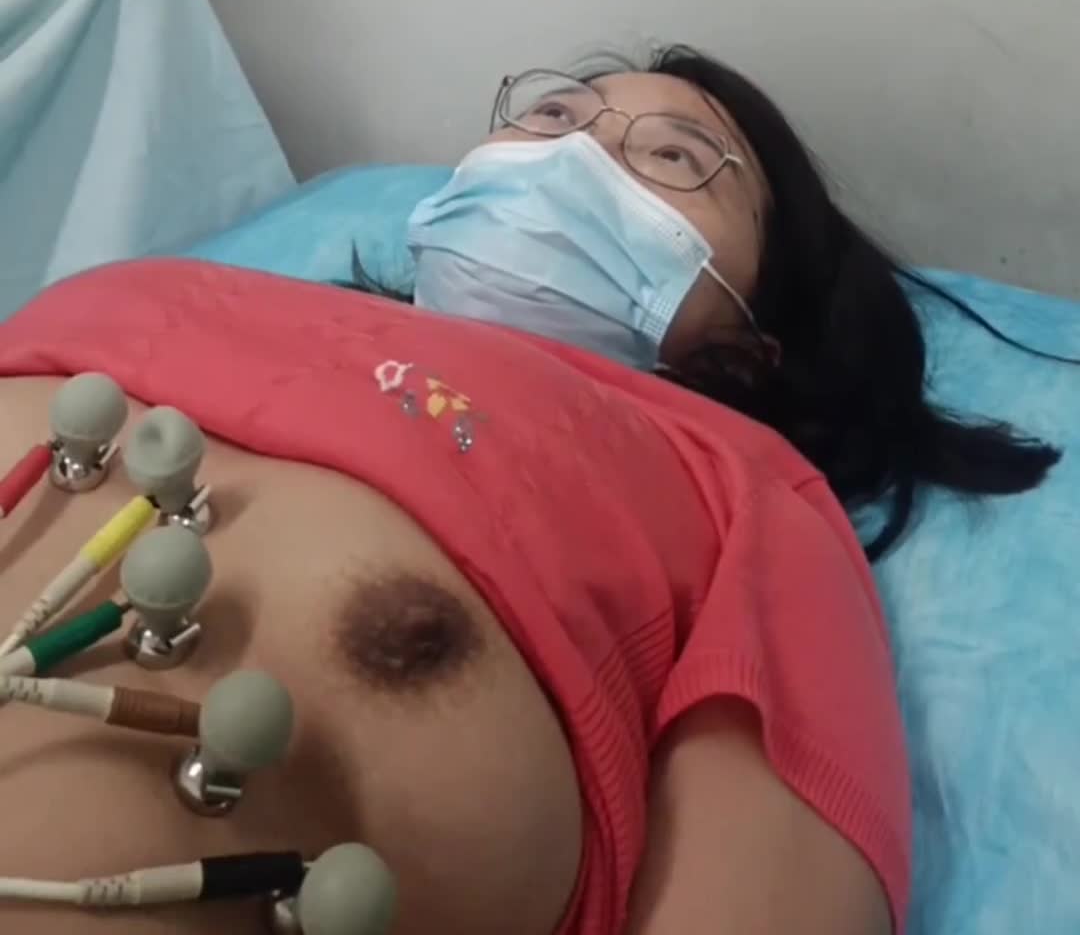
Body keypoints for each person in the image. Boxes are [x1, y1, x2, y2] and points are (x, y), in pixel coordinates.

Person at [0, 49, 1055, 935]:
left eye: (674, 157)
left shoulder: (736, 483)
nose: (573, 150)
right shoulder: (165, 288)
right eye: (553, 115)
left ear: (748, 342)